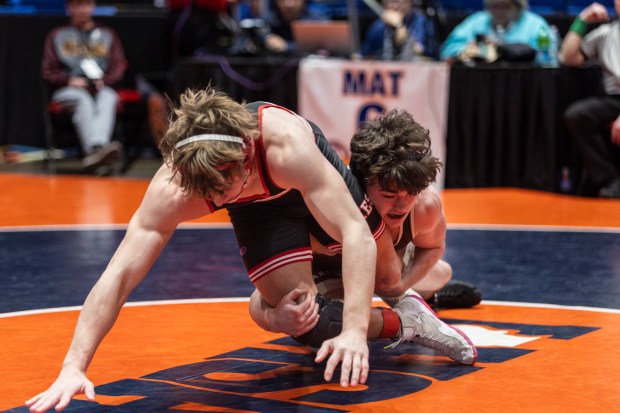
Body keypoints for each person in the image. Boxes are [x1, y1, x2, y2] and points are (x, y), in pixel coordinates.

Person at [25, 86, 457, 413]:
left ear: (243, 159)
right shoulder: (176, 188)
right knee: (307, 319)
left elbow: (356, 233)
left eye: (219, 190)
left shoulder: (285, 145)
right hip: (262, 212)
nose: (212, 200)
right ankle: (408, 320)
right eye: (205, 193)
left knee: (383, 279)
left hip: (305, 189)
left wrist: (354, 333)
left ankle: (427, 281)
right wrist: (74, 365)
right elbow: (117, 277)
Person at [249, 109, 480, 359]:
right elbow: (261, 295)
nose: (402, 206)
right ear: (362, 183)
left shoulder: (424, 206)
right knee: (320, 326)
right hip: (329, 271)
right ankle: (410, 316)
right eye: (390, 195)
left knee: (440, 273)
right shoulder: (327, 203)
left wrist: (400, 285)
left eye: (409, 194)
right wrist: (273, 318)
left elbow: (433, 247)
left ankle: (426, 296)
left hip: (392, 268)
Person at [41, 0, 126, 172]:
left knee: (109, 97)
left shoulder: (107, 34)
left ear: (93, 6)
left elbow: (119, 65)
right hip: (69, 90)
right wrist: (68, 80)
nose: (82, 10)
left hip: (100, 87)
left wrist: (105, 80)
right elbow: (47, 70)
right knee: (83, 99)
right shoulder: (57, 35)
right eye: (77, 5)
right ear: (69, 8)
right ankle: (97, 151)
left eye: (86, 5)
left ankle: (96, 153)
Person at [559, 0, 620, 199]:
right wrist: (582, 20)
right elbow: (568, 58)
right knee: (577, 115)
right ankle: (610, 180)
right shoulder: (606, 33)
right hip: (613, 100)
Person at [439, 0, 555, 64]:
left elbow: (548, 60)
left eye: (505, 6)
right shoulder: (477, 21)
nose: (499, 11)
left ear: (517, 6)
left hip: (524, 85)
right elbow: (447, 50)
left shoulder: (536, 25)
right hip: (481, 85)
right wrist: (469, 50)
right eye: (494, 6)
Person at [361, 0, 438, 61]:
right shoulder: (379, 25)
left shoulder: (419, 19)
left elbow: (419, 50)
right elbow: (363, 55)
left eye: (398, 2)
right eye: (389, 2)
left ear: (410, 2)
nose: (394, 7)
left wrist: (399, 25)